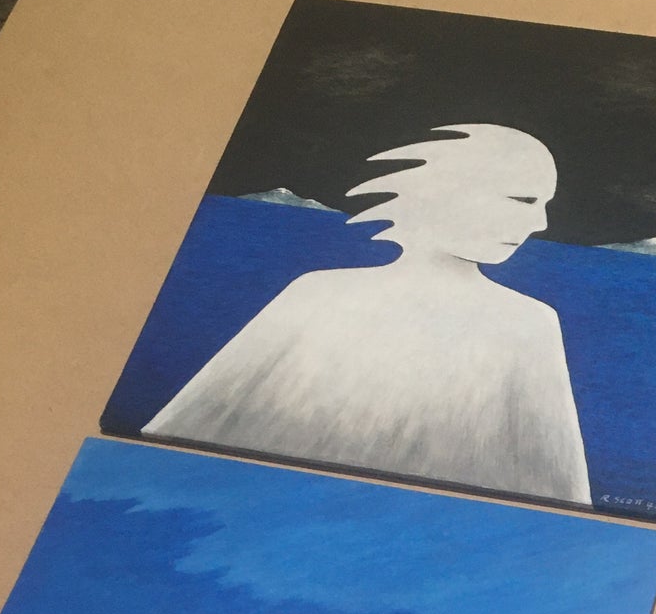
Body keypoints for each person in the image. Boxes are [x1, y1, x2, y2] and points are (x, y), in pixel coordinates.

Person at [145, 124, 591, 506]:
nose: (541, 223)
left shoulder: (529, 324)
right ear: (447, 192)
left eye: (544, 203)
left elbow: (563, 497)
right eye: (523, 199)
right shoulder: (316, 293)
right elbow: (172, 436)